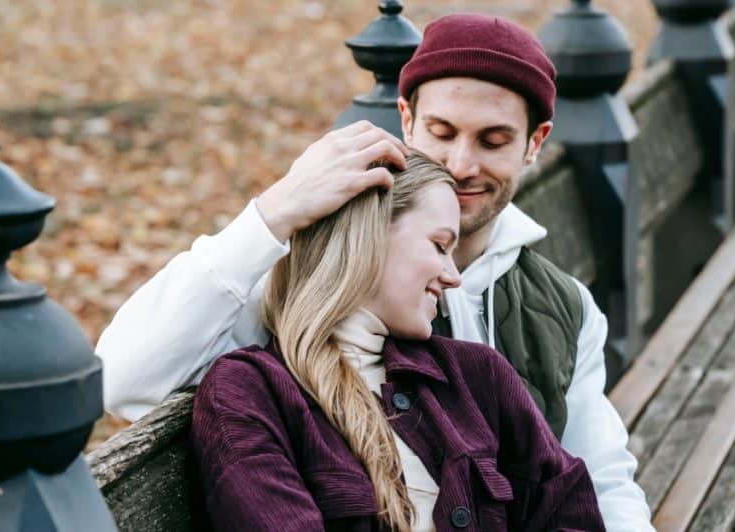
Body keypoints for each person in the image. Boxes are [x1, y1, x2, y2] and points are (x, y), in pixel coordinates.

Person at [97, 13, 653, 531]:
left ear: (534, 143)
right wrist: (274, 213)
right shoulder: (289, 289)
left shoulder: (557, 309)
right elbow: (122, 378)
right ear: (406, 119)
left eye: (493, 140)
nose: (461, 165)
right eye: (442, 131)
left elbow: (600, 479)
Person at [191, 153, 604, 531]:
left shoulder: (478, 375)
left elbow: (569, 511)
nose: (452, 275)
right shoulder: (250, 393)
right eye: (440, 245)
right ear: (370, 234)